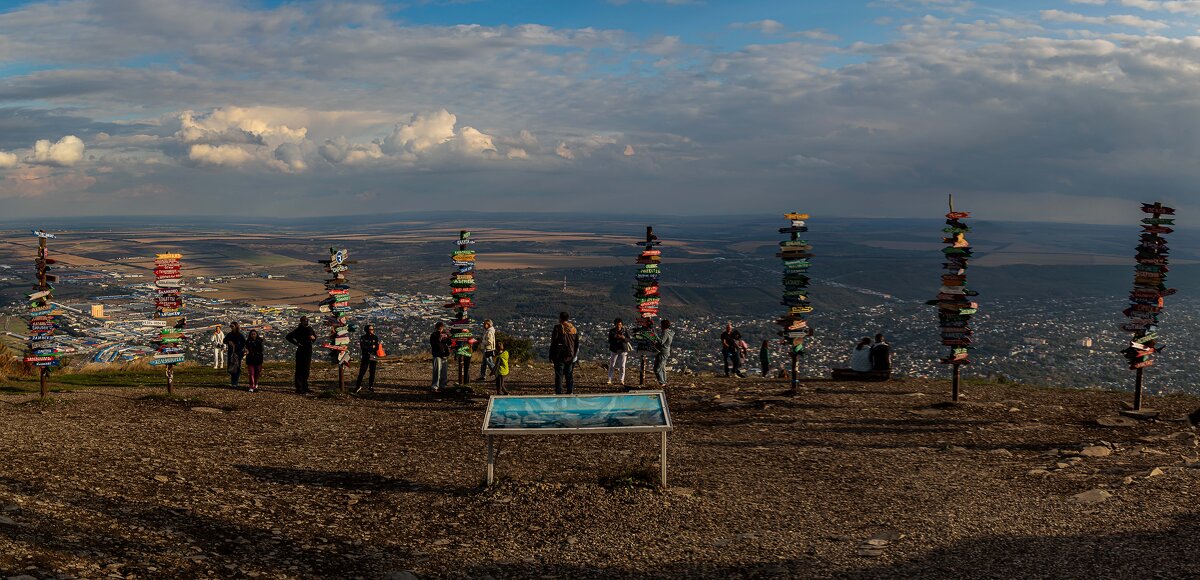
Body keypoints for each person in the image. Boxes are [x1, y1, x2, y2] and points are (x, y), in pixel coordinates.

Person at [285, 316, 317, 394]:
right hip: (301, 349)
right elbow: (288, 337)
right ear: (301, 321)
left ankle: (305, 387)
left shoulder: (310, 328)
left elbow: (315, 336)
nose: (306, 322)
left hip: (308, 349)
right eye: (304, 321)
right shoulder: (299, 330)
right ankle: (299, 388)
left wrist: (313, 339)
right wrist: (297, 343)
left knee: (306, 369)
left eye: (307, 320)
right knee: (300, 369)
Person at [549, 311, 579, 394]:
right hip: (570, 355)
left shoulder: (557, 328)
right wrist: (574, 355)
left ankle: (559, 392)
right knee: (569, 374)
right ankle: (570, 391)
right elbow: (576, 344)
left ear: (560, 318)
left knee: (559, 375)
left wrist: (551, 355)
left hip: (559, 355)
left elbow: (553, 342)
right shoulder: (574, 329)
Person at [353, 324, 380, 394]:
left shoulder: (375, 337)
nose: (372, 331)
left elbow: (377, 347)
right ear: (367, 330)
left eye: (372, 329)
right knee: (362, 372)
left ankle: (370, 386)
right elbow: (363, 347)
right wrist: (371, 348)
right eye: (370, 329)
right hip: (366, 357)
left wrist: (370, 348)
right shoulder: (363, 337)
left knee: (372, 372)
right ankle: (358, 386)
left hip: (373, 357)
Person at [607, 318, 631, 386]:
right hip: (614, 349)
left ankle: (621, 379)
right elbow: (609, 341)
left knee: (622, 365)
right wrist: (615, 337)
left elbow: (629, 339)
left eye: (620, 324)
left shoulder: (625, 330)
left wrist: (623, 338)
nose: (619, 326)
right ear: (615, 325)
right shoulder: (612, 331)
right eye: (617, 325)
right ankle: (609, 379)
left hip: (623, 349)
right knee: (612, 365)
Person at [223, 321, 246, 388]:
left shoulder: (240, 335)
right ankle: (233, 381)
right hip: (231, 353)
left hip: (238, 353)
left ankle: (235, 382)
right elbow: (224, 340)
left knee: (237, 368)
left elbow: (243, 343)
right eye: (231, 326)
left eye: (232, 326)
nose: (231, 328)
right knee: (230, 368)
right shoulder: (230, 334)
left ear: (236, 326)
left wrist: (236, 345)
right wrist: (228, 342)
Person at [430, 321, 450, 392]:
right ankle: (435, 385)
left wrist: (447, 337)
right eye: (439, 328)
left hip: (444, 354)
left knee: (444, 371)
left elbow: (449, 343)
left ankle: (443, 385)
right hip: (437, 354)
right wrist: (439, 338)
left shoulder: (445, 334)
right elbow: (434, 344)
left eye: (441, 328)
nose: (440, 329)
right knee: (437, 371)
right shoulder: (434, 335)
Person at [654, 319, 674, 387]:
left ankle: (662, 382)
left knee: (657, 369)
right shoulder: (669, 332)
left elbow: (661, 342)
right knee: (662, 368)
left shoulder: (665, 332)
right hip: (666, 351)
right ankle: (664, 382)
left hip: (663, 352)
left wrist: (655, 335)